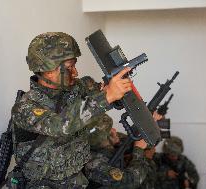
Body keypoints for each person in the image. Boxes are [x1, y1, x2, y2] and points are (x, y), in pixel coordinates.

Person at [8, 32, 132, 189]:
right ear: (48, 70)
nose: (75, 72)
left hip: (77, 181)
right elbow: (59, 125)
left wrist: (112, 91)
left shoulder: (75, 89)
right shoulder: (25, 108)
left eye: (74, 65)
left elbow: (95, 94)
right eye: (68, 67)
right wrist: (106, 97)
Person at [85, 113, 149, 189]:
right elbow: (131, 181)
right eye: (109, 131)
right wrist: (139, 150)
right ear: (102, 140)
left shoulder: (106, 143)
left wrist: (149, 121)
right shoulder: (93, 163)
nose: (114, 130)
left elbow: (130, 142)